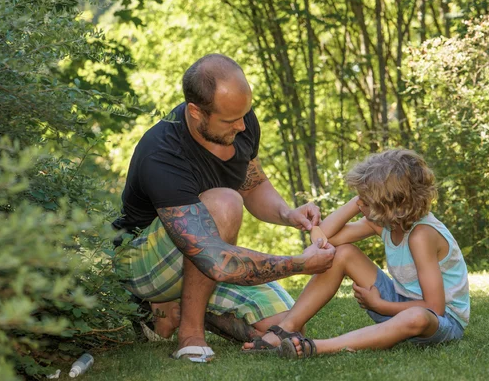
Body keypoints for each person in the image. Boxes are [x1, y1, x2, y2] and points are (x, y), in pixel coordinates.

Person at [111, 53, 336, 362]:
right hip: (141, 264)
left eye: (245, 114)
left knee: (285, 326)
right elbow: (213, 258)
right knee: (225, 203)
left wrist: (288, 214)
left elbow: (252, 183)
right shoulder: (161, 152)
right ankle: (190, 335)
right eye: (231, 120)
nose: (243, 125)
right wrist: (300, 263)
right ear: (195, 112)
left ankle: (173, 311)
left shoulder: (241, 121)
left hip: (200, 261)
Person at [242, 149, 470, 358]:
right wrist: (354, 204)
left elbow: (434, 307)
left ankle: (317, 346)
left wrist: (381, 306)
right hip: (401, 302)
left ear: (393, 205)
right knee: (341, 253)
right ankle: (286, 328)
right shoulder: (383, 222)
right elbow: (323, 240)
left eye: (366, 200)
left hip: (438, 321)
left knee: (416, 317)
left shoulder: (422, 235)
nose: (361, 203)